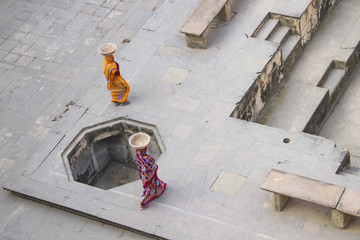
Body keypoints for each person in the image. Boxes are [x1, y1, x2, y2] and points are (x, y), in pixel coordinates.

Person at [129, 133, 167, 209]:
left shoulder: (137, 153)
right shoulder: (146, 158)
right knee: (149, 188)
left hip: (143, 173)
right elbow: (152, 167)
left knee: (153, 184)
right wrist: (155, 166)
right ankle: (144, 202)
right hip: (148, 175)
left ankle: (158, 190)